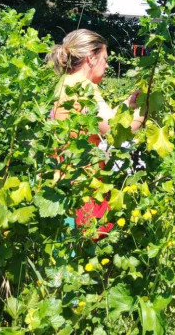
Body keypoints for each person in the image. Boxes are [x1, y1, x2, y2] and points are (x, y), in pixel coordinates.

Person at [45, 29, 144, 236]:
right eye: (105, 59)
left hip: (62, 176)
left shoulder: (65, 82)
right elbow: (114, 131)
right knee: (86, 246)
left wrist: (127, 105)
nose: (107, 65)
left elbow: (101, 119)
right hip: (83, 184)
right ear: (91, 57)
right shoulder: (85, 87)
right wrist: (145, 111)